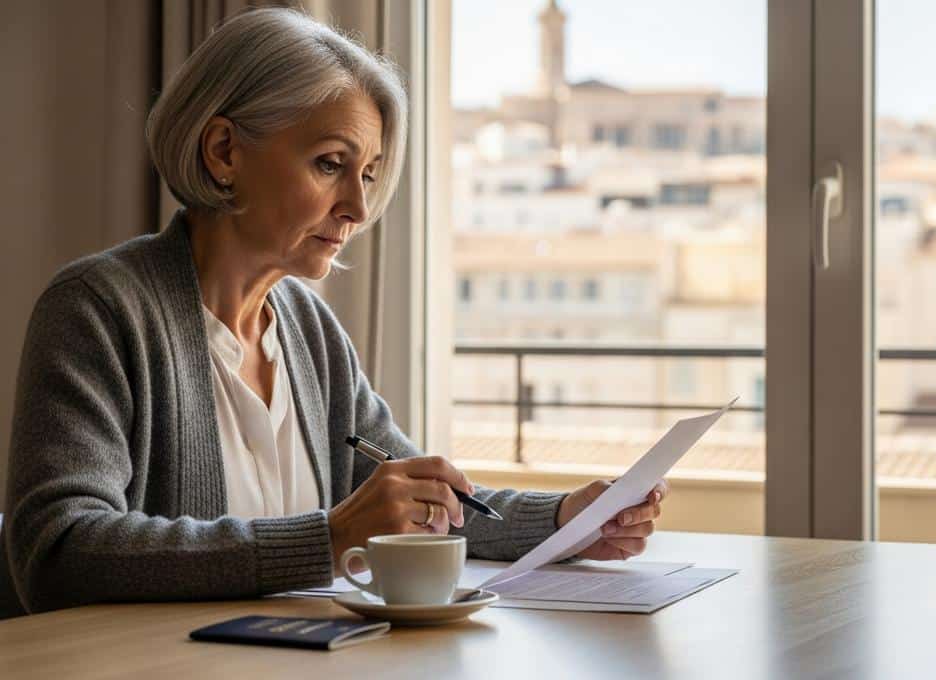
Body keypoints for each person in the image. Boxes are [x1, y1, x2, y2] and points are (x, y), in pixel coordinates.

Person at [0, 7, 666, 617]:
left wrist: (568, 521)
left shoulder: (309, 333)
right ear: (224, 152)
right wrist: (329, 537)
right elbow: (57, 551)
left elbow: (423, 499)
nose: (358, 206)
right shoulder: (97, 311)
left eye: (369, 174)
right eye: (329, 165)